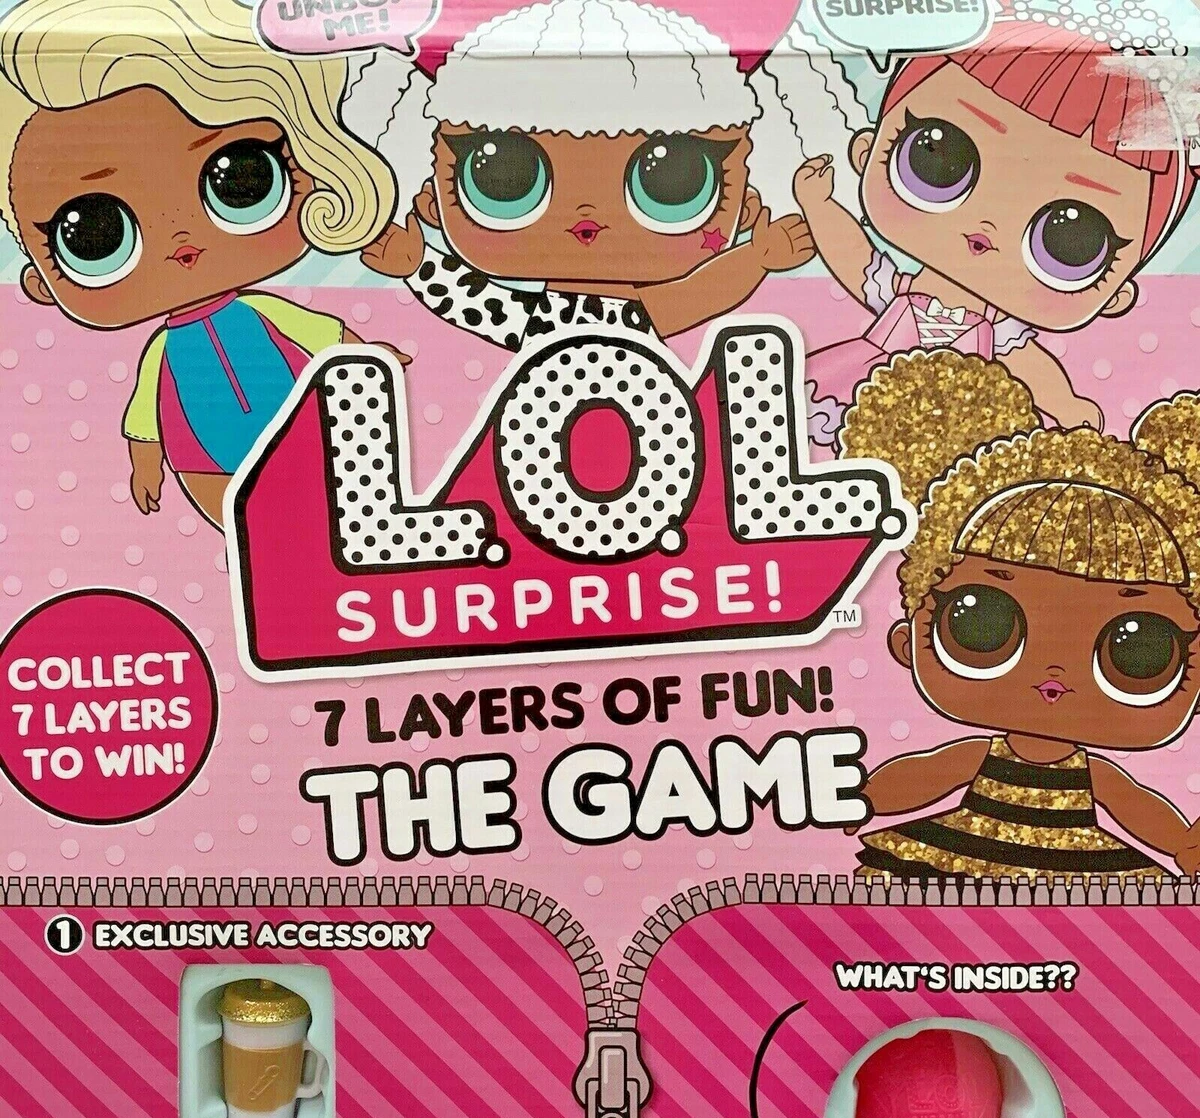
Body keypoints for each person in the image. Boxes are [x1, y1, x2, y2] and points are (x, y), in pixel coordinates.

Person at [0, 0, 398, 526]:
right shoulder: (161, 352)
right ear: (40, 282)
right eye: (97, 236)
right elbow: (145, 416)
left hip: (303, 428)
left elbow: (324, 335)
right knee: (246, 529)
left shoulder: (261, 314)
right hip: (203, 459)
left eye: (240, 181)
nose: (180, 239)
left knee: (317, 507)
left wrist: (371, 360)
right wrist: (147, 466)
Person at [839, 350, 1200, 881]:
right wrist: (862, 798)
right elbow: (927, 775)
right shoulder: (979, 755)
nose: (1054, 677)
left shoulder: (1093, 776)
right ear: (908, 641)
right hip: (956, 857)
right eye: (981, 625)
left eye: (1137, 652)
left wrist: (1183, 844)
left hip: (1082, 874)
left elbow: (1136, 808)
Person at [344, 0, 870, 343]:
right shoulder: (537, 317)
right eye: (505, 178)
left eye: (674, 182)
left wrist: (756, 258)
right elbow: (478, 305)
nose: (587, 217)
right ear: (434, 201)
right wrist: (419, 266)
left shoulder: (633, 312)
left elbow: (692, 299)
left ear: (746, 204)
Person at [794, 13, 1197, 447]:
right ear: (867, 152)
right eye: (936, 157)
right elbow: (855, 259)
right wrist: (819, 207)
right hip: (858, 390)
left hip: (964, 423)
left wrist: (1066, 404)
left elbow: (1028, 364)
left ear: (1116, 294)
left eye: (1068, 242)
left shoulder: (1000, 333)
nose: (989, 227)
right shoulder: (899, 292)